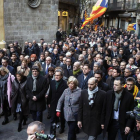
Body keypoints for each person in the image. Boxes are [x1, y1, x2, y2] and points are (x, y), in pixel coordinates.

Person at [48, 69, 68, 135]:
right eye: (55, 75)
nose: (56, 76)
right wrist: (48, 102)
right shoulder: (52, 82)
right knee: (52, 118)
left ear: (61, 76)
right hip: (53, 103)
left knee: (61, 117)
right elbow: (50, 93)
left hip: (62, 104)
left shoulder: (65, 84)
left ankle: (62, 127)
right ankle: (52, 132)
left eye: (58, 75)